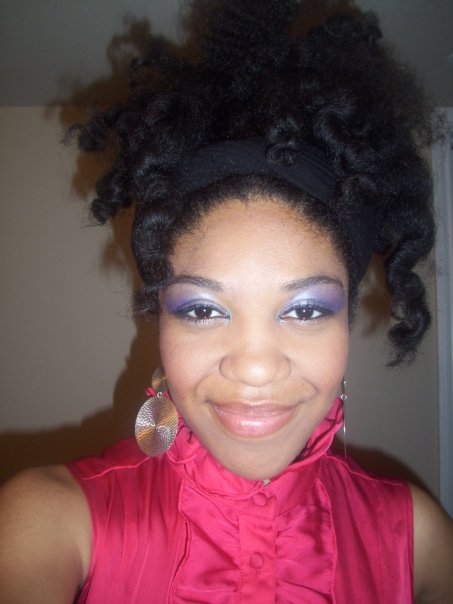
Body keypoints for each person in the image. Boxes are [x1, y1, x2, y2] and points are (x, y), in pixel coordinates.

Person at [1, 1, 452, 602]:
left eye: (305, 309)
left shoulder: (419, 538)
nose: (256, 367)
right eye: (203, 309)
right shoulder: (49, 519)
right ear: (160, 320)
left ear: (346, 320)